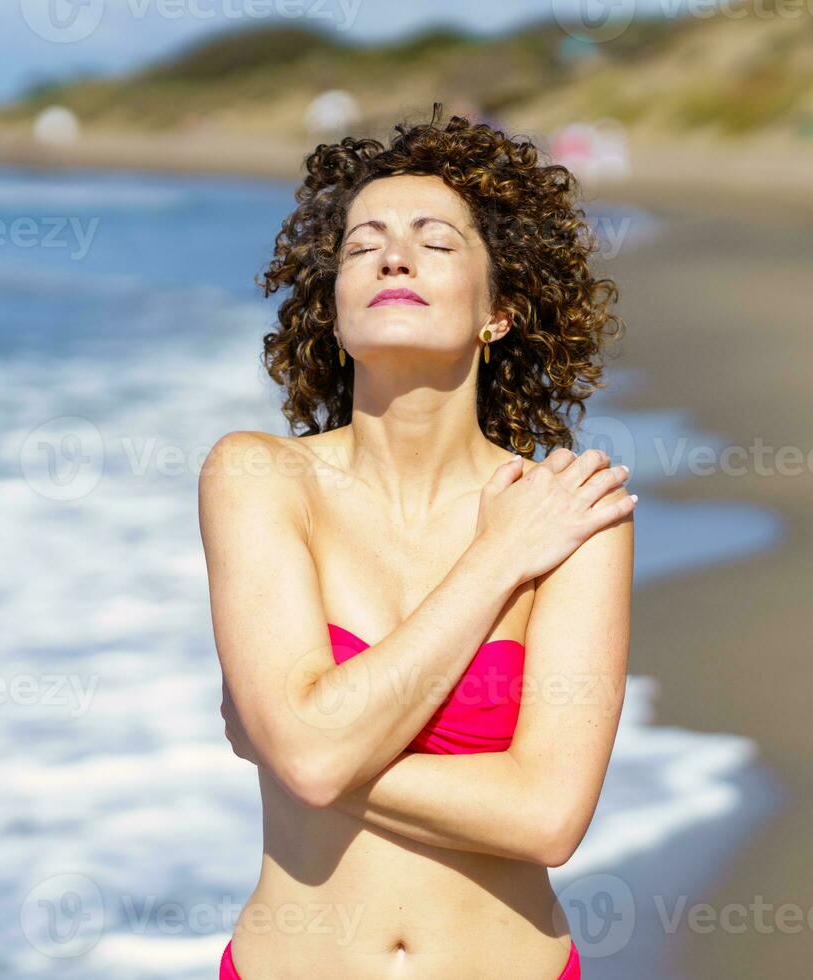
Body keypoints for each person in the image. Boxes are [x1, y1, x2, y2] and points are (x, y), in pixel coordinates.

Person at [198, 107, 635, 979]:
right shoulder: (257, 476)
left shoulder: (571, 514)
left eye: (434, 242)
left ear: (499, 309)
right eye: (362, 246)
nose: (392, 256)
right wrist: (496, 560)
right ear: (332, 308)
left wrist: (287, 742)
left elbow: (548, 816)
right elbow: (313, 758)